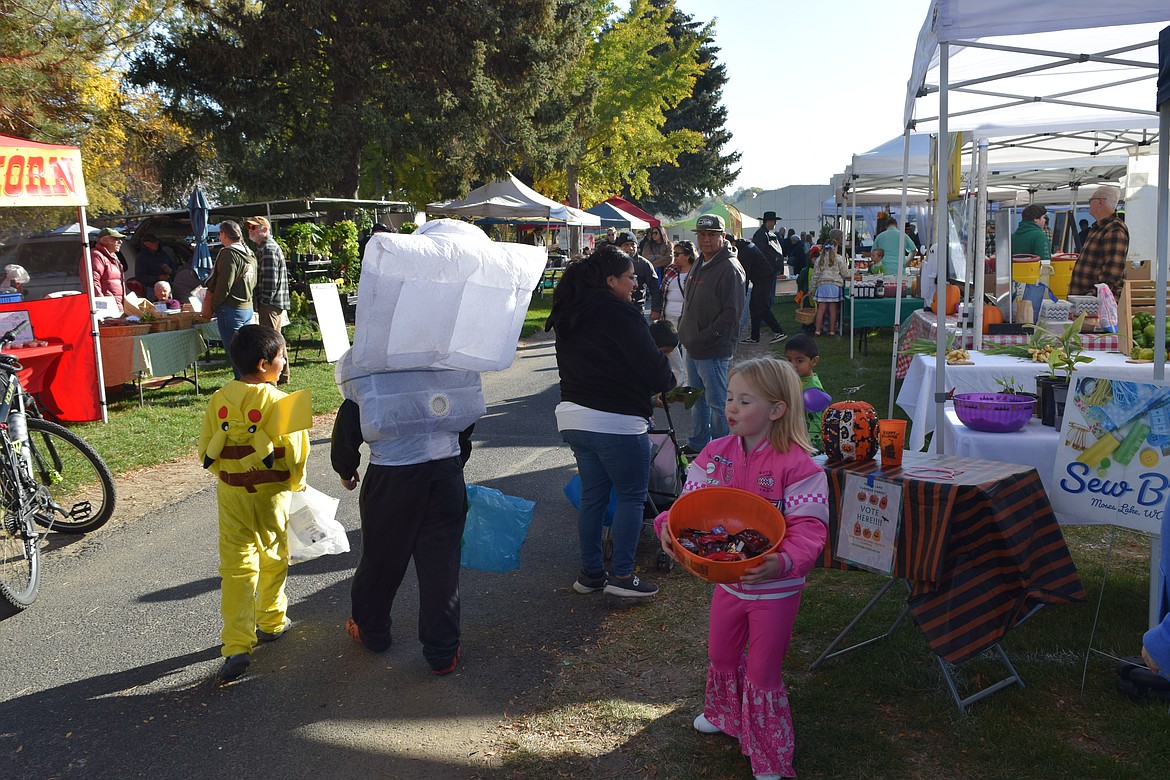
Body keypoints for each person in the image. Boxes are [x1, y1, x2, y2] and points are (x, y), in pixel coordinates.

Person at [654, 356, 829, 780]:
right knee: (721, 654)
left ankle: (768, 752)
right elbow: (688, 505)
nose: (731, 407)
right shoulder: (716, 453)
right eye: (730, 397)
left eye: (744, 400)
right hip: (728, 584)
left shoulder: (800, 466)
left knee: (762, 670)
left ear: (776, 410)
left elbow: (810, 527)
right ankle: (724, 715)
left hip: (776, 588)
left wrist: (783, 561)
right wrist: (666, 527)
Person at [545, 243, 675, 599]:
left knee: (594, 498)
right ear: (611, 280)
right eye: (630, 278)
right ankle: (621, 576)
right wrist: (667, 379)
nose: (634, 284)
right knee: (632, 496)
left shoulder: (569, 311)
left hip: (573, 417)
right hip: (616, 421)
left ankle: (590, 574)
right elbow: (654, 368)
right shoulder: (620, 314)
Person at [331, 368, 475, 675]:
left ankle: (372, 632)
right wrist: (454, 460)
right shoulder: (451, 364)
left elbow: (348, 424)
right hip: (445, 474)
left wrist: (345, 469)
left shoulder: (369, 368)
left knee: (380, 560)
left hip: (391, 476)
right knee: (441, 567)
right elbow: (466, 419)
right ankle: (443, 652)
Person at [197, 325, 310, 683]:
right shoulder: (283, 401)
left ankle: (235, 644)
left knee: (236, 567)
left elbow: (205, 452)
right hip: (271, 497)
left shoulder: (218, 400)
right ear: (264, 365)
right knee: (274, 558)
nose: (285, 363)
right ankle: (272, 620)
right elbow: (296, 453)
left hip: (231, 496)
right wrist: (297, 484)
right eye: (282, 357)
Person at [678, 213, 746, 454]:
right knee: (696, 399)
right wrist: (684, 329)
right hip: (694, 346)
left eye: (711, 235)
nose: (705, 239)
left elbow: (732, 314)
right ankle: (699, 444)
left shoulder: (730, 268)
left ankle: (722, 449)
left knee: (717, 403)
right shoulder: (700, 261)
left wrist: (704, 335)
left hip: (713, 349)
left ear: (722, 236)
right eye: (702, 235)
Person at [203, 220, 257, 378]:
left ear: (223, 235)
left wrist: (214, 305)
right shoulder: (249, 253)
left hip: (231, 308)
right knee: (246, 352)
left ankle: (243, 386)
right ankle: (251, 384)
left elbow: (223, 285)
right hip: (247, 307)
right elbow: (253, 282)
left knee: (235, 352)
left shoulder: (228, 253)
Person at [246, 216, 291, 384]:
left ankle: (273, 378)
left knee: (271, 341)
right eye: (250, 227)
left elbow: (270, 281)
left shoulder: (268, 249)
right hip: (272, 302)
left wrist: (263, 301)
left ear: (265, 230)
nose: (250, 230)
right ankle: (282, 376)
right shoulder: (264, 247)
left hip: (270, 302)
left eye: (254, 228)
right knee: (276, 338)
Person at [1070, 185, 1129, 298]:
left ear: (1100, 202)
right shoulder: (1100, 227)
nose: (1089, 204)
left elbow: (1113, 270)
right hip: (1087, 301)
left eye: (1091, 200)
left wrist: (1094, 294)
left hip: (1097, 303)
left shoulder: (1114, 228)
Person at [650, 240, 696, 382]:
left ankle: (689, 378)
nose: (674, 256)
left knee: (688, 347)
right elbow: (661, 290)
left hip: (688, 315)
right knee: (672, 348)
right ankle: (677, 377)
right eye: (673, 253)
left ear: (688, 255)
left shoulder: (697, 270)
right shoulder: (670, 269)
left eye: (677, 254)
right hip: (668, 314)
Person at [734, 237, 786, 345]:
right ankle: (754, 336)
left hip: (764, 279)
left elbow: (745, 276)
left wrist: (741, 295)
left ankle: (779, 331)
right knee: (753, 307)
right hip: (762, 279)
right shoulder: (746, 246)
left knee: (761, 306)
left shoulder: (745, 253)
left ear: (733, 244)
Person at [784, 334, 825, 452]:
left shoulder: (812, 391)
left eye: (799, 360)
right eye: (788, 360)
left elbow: (816, 424)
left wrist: (811, 449)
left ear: (814, 361)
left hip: (807, 445)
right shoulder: (799, 380)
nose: (792, 365)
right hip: (795, 439)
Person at [80, 227, 127, 313]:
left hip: (116, 307)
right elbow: (93, 283)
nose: (120, 242)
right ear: (104, 240)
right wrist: (103, 308)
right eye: (116, 239)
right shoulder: (95, 255)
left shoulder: (112, 256)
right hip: (107, 310)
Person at [615, 231, 659, 313]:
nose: (630, 248)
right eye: (626, 245)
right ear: (620, 247)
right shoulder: (614, 263)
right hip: (617, 309)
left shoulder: (644, 264)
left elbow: (655, 287)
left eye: (632, 244)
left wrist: (655, 309)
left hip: (637, 309)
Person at [811, 241, 847, 337]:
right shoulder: (839, 258)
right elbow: (845, 273)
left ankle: (817, 331)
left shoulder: (819, 259)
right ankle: (832, 331)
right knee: (833, 309)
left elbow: (815, 275)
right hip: (834, 285)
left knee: (821, 309)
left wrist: (811, 289)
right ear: (835, 247)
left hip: (822, 285)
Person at [134, 233, 173, 298]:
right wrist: (158, 278)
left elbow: (173, 267)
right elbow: (140, 276)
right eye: (153, 242)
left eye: (156, 241)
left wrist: (170, 270)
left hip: (167, 287)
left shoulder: (163, 254)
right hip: (153, 290)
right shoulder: (141, 257)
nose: (156, 244)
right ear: (145, 244)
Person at [751, 210, 786, 277]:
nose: (776, 223)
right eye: (774, 221)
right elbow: (759, 254)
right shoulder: (761, 234)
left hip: (772, 273)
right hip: (767, 274)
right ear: (768, 222)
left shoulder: (768, 234)